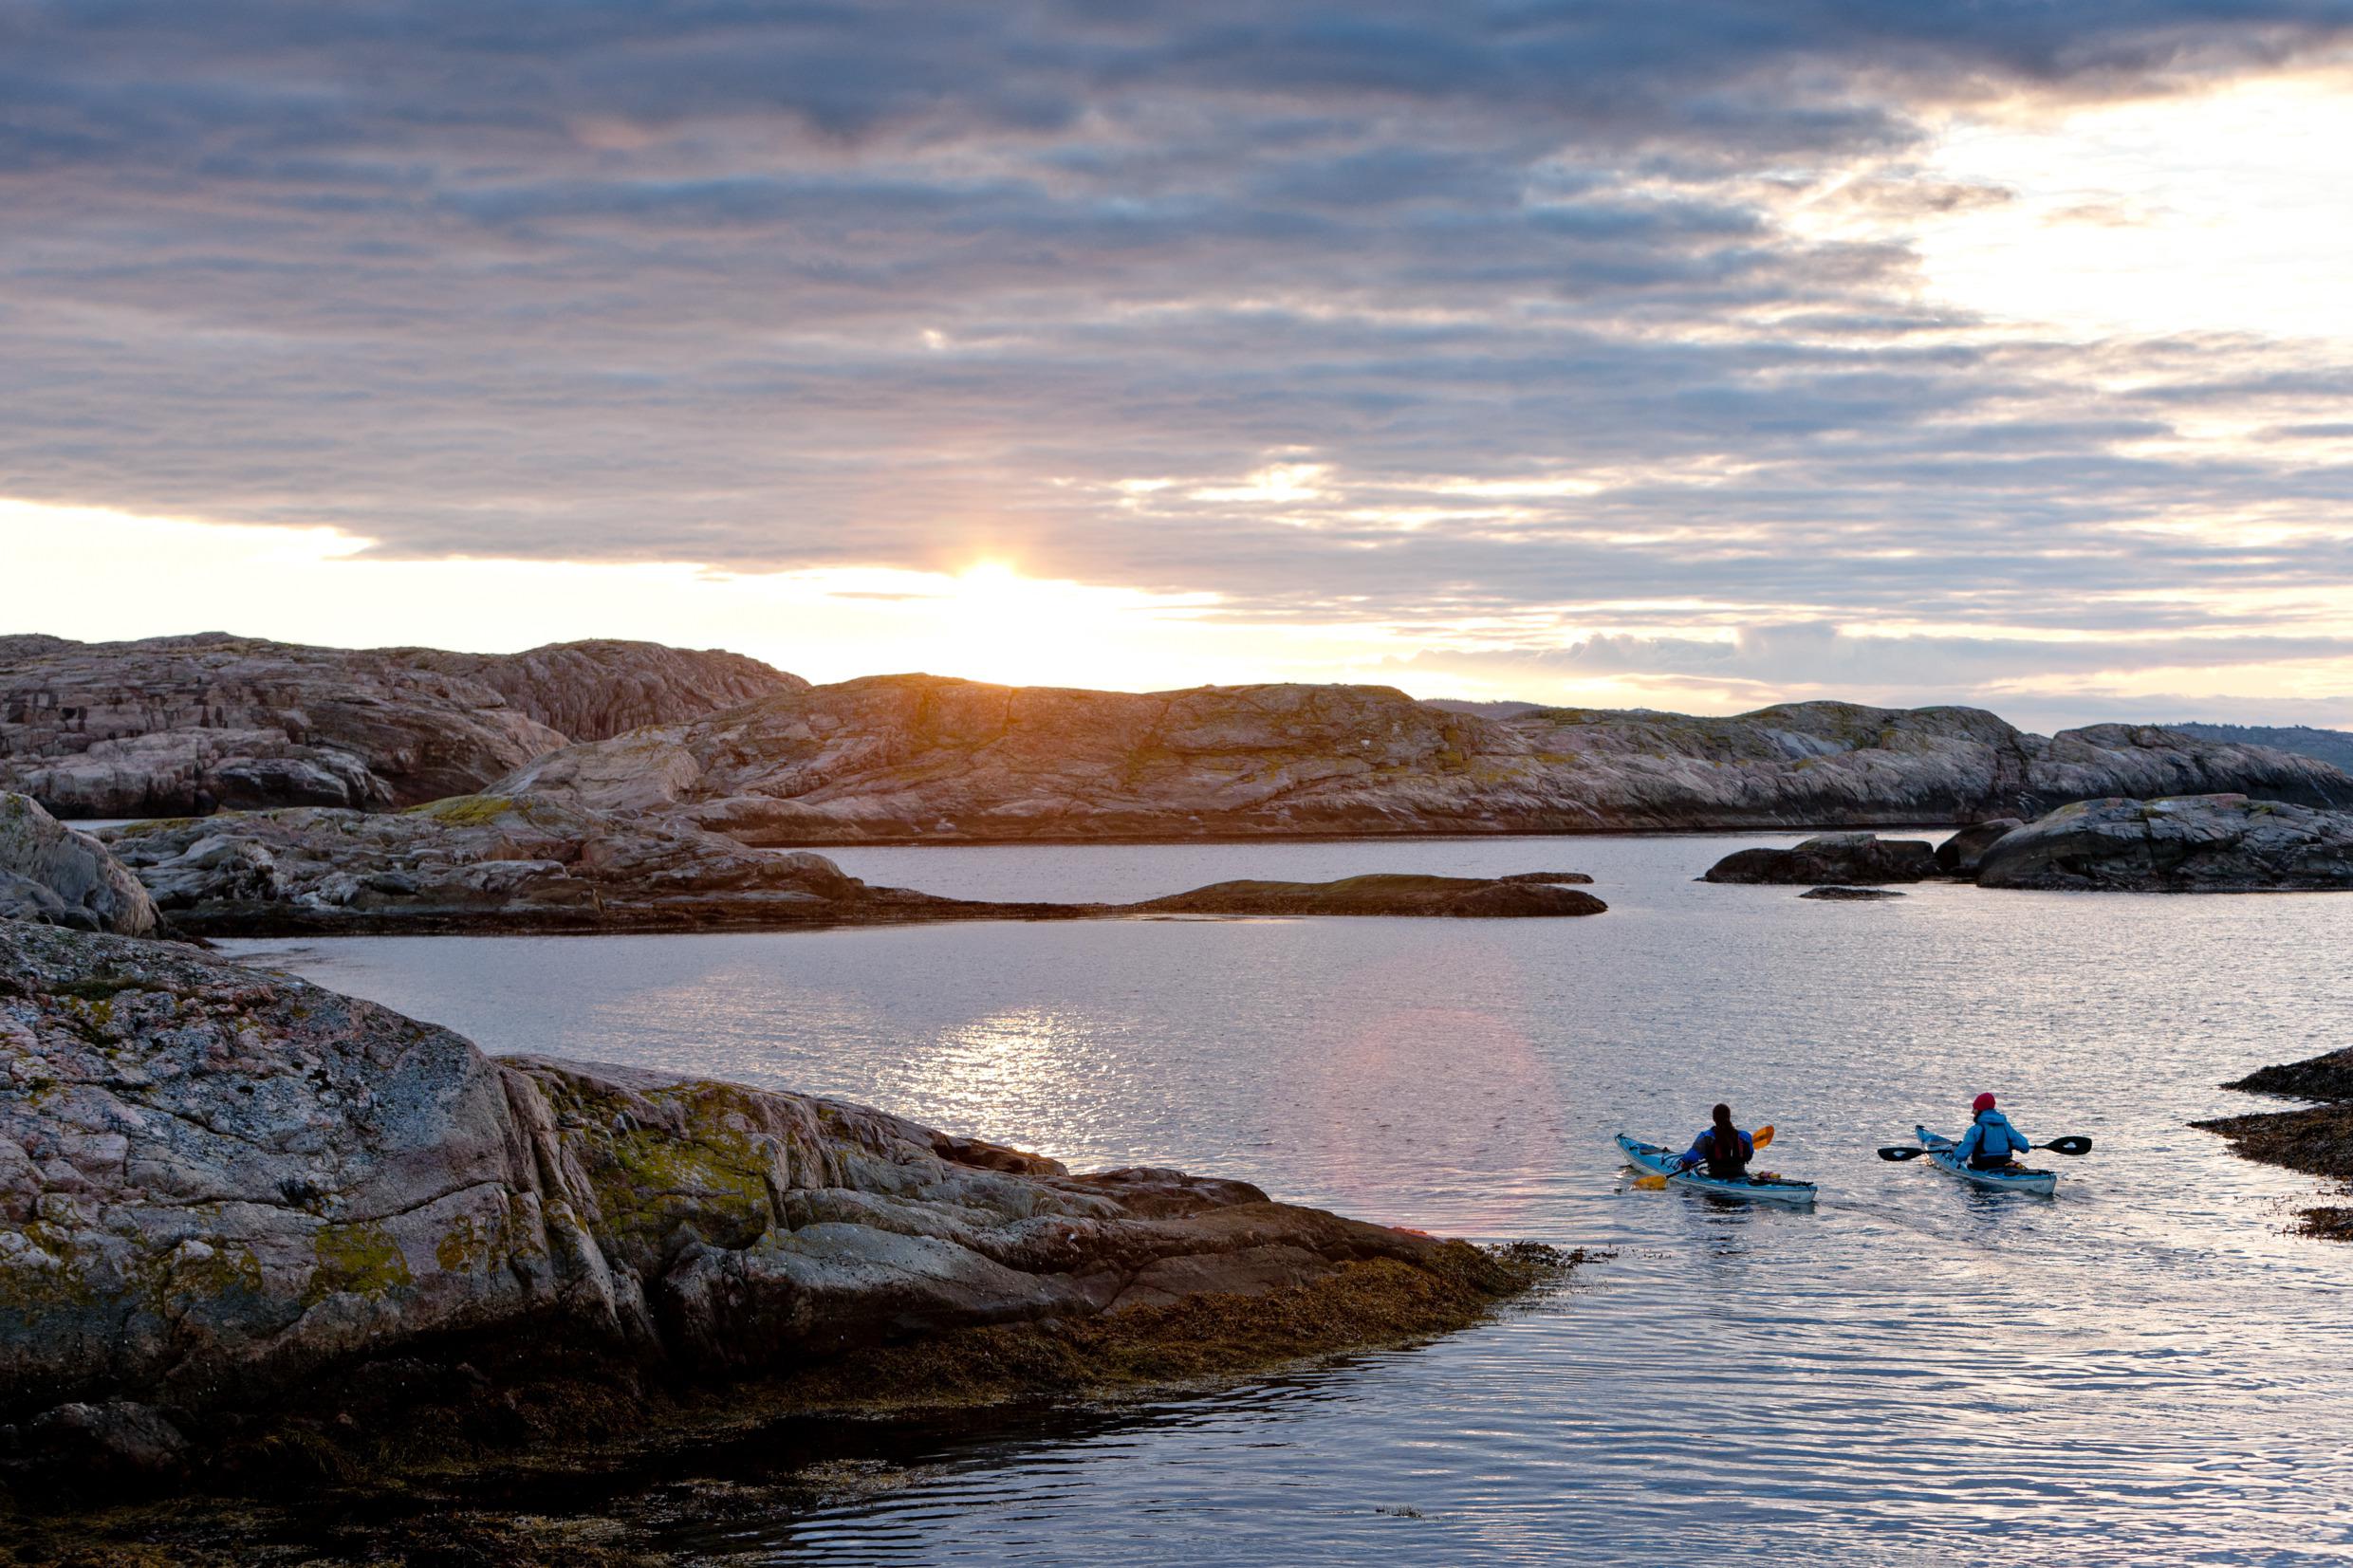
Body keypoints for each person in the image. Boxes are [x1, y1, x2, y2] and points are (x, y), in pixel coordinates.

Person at [1952, 1092, 2031, 1169]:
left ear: (1980, 1110)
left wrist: (1954, 1152)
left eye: (1975, 1108)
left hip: (1983, 1166)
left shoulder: (1975, 1129)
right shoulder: (2006, 1126)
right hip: (2005, 1163)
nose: (1972, 1111)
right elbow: (2025, 1147)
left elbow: (1960, 1156)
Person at [1677, 1103, 1753, 1179]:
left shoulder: (1706, 1137)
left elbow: (1690, 1157)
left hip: (1716, 1176)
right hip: (1740, 1174)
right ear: (1729, 1117)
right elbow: (1749, 1156)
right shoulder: (1745, 1136)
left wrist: (1685, 1163)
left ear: (1714, 1118)